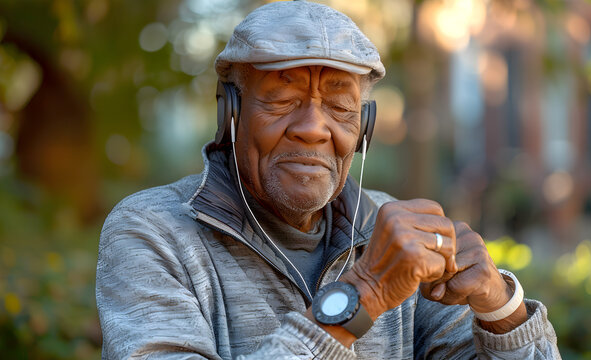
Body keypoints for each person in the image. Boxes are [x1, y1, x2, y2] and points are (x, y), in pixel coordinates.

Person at [96, 1, 560, 359]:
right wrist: (363, 297)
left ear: (364, 128)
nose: (315, 128)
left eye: (340, 108)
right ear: (230, 113)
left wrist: (502, 310)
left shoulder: (388, 230)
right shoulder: (151, 231)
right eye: (281, 99)